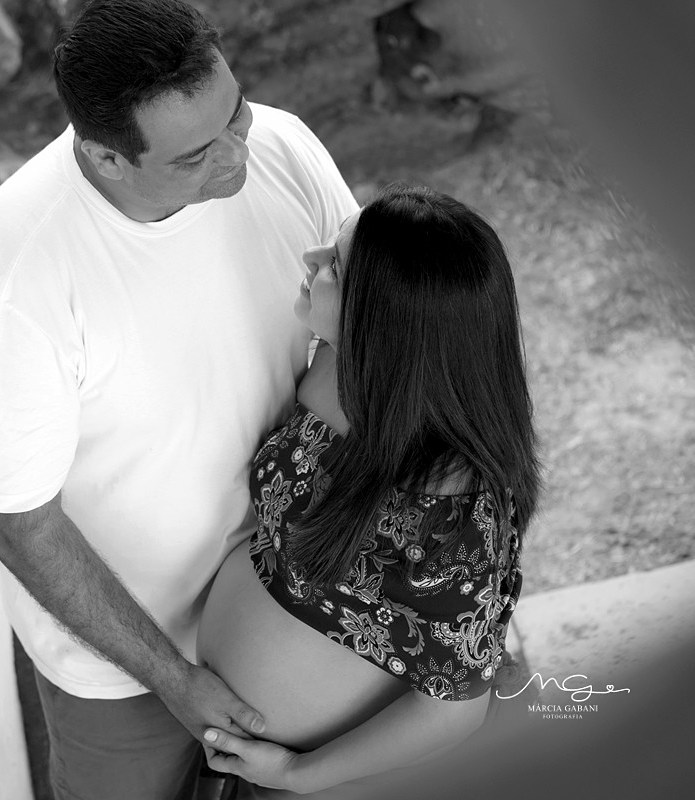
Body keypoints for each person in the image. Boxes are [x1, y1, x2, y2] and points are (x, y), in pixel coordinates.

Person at [0, 0, 357, 796]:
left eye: (236, 114)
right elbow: (23, 525)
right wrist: (174, 679)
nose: (238, 155)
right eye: (196, 155)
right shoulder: (17, 271)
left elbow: (376, 330)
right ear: (106, 158)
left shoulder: (280, 146)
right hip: (127, 672)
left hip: (299, 616)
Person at [196, 184, 542, 798]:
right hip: (246, 752)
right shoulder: (340, 365)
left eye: (333, 265)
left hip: (339, 780)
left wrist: (297, 774)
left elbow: (453, 710)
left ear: (384, 319)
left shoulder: (456, 518)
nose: (310, 259)